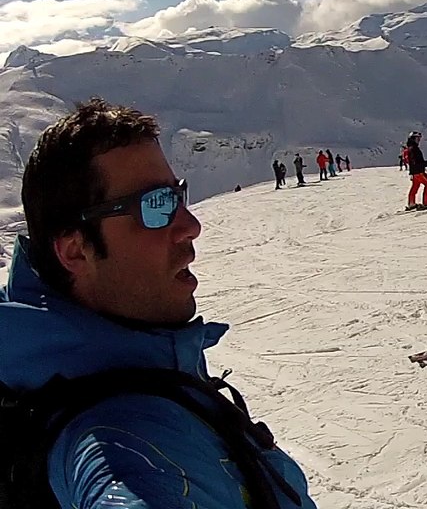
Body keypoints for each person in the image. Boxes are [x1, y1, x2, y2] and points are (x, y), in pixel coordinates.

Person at [0, 98, 317, 507]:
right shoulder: (116, 438)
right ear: (76, 252)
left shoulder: (140, 364)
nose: (191, 225)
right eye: (155, 206)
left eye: (176, 195)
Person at [405, 132, 427, 210]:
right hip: (418, 171)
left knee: (415, 186)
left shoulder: (410, 148)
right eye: (417, 138)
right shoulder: (414, 149)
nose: (419, 140)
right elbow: (416, 162)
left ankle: (411, 203)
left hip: (414, 172)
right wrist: (425, 164)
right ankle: (426, 201)